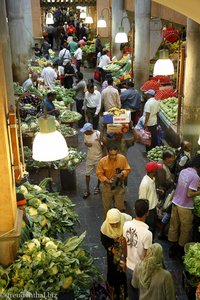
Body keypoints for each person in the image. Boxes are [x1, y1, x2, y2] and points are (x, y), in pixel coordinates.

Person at [168, 154, 200, 258]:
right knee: (185, 229)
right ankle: (180, 250)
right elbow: (189, 194)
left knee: (174, 226)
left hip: (176, 203)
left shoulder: (183, 171)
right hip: (185, 207)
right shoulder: (195, 177)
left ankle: (172, 249)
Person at [123, 199, 153, 300]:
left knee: (131, 293)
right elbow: (146, 255)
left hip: (128, 265)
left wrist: (124, 260)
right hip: (140, 269)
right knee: (142, 294)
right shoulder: (147, 234)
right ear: (147, 212)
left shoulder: (126, 225)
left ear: (134, 209)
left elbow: (123, 244)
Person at [101, 208, 132, 299]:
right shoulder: (104, 228)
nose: (114, 225)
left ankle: (124, 293)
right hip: (113, 255)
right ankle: (113, 292)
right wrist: (111, 249)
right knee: (113, 272)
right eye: (112, 224)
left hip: (125, 252)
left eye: (117, 223)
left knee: (123, 273)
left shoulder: (127, 221)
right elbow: (104, 241)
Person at [96, 144, 131, 216]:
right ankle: (107, 225)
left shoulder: (122, 158)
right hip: (107, 187)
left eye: (115, 154)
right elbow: (99, 173)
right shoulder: (102, 161)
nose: (113, 156)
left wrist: (122, 173)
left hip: (119, 187)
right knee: (107, 209)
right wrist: (106, 180)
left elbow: (127, 169)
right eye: (111, 155)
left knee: (120, 209)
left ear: (118, 152)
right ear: (108, 153)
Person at [139, 162, 162, 238]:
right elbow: (142, 200)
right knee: (149, 229)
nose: (158, 171)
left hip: (153, 208)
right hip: (149, 211)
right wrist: (146, 213)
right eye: (157, 170)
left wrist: (157, 190)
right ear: (153, 172)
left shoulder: (152, 179)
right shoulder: (145, 183)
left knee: (153, 227)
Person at [80, 123, 103, 199]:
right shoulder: (85, 134)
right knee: (87, 174)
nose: (84, 132)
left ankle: (97, 187)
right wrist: (87, 144)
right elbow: (85, 142)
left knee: (99, 174)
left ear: (90, 130)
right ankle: (87, 190)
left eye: (85, 131)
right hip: (90, 157)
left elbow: (103, 144)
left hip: (98, 157)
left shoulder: (97, 134)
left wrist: (104, 156)